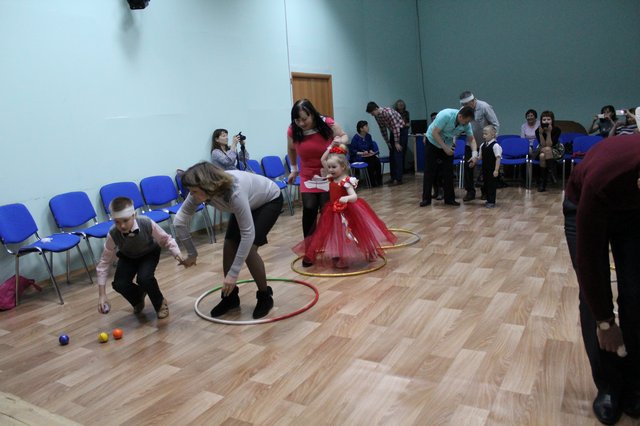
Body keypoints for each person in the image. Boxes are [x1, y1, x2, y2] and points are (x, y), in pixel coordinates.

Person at [563, 133, 640, 425]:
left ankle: (634, 382)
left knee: (636, 291)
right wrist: (606, 323)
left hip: (633, 212)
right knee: (592, 296)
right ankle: (608, 386)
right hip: (584, 203)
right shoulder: (603, 179)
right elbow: (590, 262)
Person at [174, 162, 284, 319]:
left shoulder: (234, 192)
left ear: (207, 186)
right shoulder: (199, 192)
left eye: (194, 191)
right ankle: (230, 298)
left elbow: (248, 234)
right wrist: (192, 254)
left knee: (249, 250)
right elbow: (179, 221)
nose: (191, 195)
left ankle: (265, 296)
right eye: (190, 191)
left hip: (268, 200)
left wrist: (233, 274)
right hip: (247, 202)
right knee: (229, 245)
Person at [293, 143, 396, 268]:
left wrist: (346, 198)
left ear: (342, 167)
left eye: (333, 167)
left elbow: (354, 196)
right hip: (334, 211)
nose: (330, 169)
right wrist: (329, 148)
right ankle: (341, 256)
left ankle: (370, 250)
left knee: (357, 232)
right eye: (329, 167)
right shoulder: (331, 178)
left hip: (348, 210)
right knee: (337, 235)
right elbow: (323, 159)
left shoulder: (346, 181)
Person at [96, 197, 184, 319]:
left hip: (149, 253)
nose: (122, 226)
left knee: (144, 278)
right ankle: (138, 298)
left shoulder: (146, 222)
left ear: (134, 215)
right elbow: (104, 263)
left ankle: (160, 303)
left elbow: (165, 239)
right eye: (117, 222)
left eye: (125, 220)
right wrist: (102, 295)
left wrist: (177, 253)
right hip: (128, 256)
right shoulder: (113, 233)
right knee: (119, 284)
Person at [287, 99, 348, 267]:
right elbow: (291, 149)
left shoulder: (326, 123)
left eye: (304, 119)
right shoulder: (293, 130)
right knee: (309, 208)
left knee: (328, 210)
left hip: (328, 173)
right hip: (307, 175)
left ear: (312, 114)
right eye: (297, 120)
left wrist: (340, 142)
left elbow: (344, 136)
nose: (301, 123)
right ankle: (310, 250)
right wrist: (294, 169)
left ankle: (335, 250)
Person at [420, 106, 477, 207]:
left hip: (447, 143)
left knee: (448, 172)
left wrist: (474, 154)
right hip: (432, 141)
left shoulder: (466, 124)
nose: (467, 124)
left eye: (468, 122)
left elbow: (471, 139)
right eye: (466, 121)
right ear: (460, 116)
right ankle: (426, 199)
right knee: (430, 171)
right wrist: (445, 148)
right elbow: (435, 133)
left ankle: (449, 199)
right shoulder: (446, 115)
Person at [459, 91, 500, 202]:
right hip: (470, 143)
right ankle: (470, 192)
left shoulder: (484, 107)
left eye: (466, 105)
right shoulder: (463, 109)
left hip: (485, 144)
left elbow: (495, 124)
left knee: (486, 168)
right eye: (463, 105)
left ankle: (485, 191)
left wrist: (492, 142)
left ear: (472, 101)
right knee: (468, 167)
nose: (464, 107)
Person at [366, 101, 405, 185]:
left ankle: (399, 179)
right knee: (392, 154)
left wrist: (397, 142)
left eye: (372, 112)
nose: (372, 115)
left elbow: (396, 127)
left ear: (376, 108)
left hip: (401, 130)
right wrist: (387, 142)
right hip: (393, 131)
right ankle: (393, 177)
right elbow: (382, 129)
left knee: (397, 154)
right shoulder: (377, 116)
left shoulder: (388, 112)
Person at [533, 110, 563, 192]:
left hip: (556, 149)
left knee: (544, 153)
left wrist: (549, 133)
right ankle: (552, 173)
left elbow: (550, 145)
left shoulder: (557, 130)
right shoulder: (538, 130)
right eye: (544, 119)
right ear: (541, 121)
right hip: (543, 148)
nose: (546, 121)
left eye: (548, 119)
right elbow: (543, 145)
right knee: (544, 153)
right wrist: (540, 134)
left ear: (552, 120)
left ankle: (543, 183)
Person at [350, 120, 383, 187]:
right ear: (361, 129)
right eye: (366, 126)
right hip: (359, 157)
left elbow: (371, 146)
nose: (368, 127)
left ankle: (379, 181)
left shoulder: (368, 136)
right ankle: (372, 182)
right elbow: (353, 151)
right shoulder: (355, 138)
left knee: (377, 161)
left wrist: (371, 151)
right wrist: (362, 153)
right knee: (370, 163)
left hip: (368, 156)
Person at [477, 125, 502, 208]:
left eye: (486, 134)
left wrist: (496, 170)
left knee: (492, 185)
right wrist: (474, 160)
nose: (484, 136)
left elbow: (498, 158)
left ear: (493, 135)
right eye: (483, 134)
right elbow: (480, 157)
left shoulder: (495, 146)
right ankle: (488, 199)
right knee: (486, 184)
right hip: (485, 169)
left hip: (492, 169)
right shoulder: (482, 145)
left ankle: (492, 201)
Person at [393, 99, 411, 173]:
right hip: (398, 132)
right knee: (398, 152)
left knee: (404, 150)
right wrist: (404, 125)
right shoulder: (395, 113)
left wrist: (405, 125)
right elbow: (396, 124)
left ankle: (403, 169)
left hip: (405, 132)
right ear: (397, 106)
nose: (401, 106)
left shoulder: (406, 113)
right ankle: (399, 170)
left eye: (402, 104)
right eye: (399, 105)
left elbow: (408, 123)